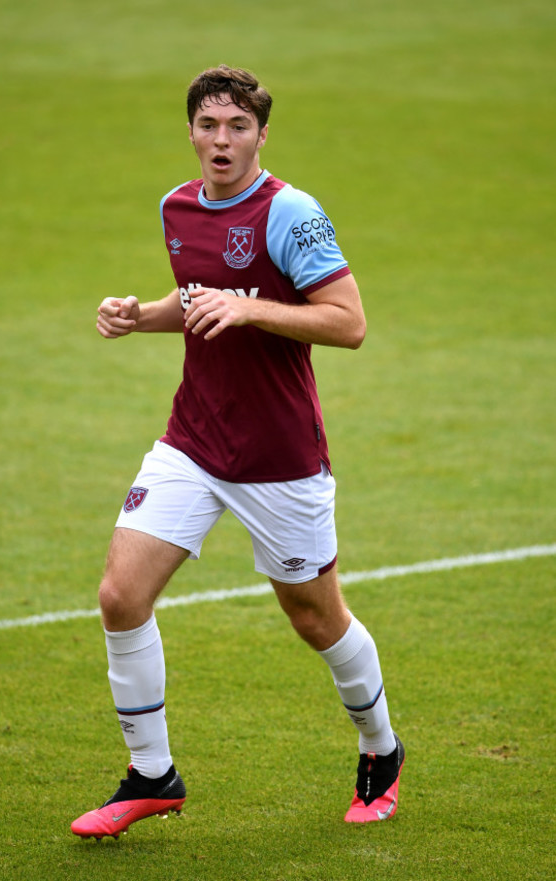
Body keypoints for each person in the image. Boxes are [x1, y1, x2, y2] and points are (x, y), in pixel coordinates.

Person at [71, 64, 404, 840]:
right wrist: (141, 314)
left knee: (315, 617)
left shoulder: (292, 213)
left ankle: (380, 748)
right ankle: (152, 773)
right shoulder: (177, 207)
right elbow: (197, 304)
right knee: (121, 596)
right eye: (209, 125)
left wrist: (253, 310)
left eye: (238, 127)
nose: (222, 141)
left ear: (261, 134)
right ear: (190, 130)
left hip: (280, 458)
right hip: (193, 439)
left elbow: (348, 322)